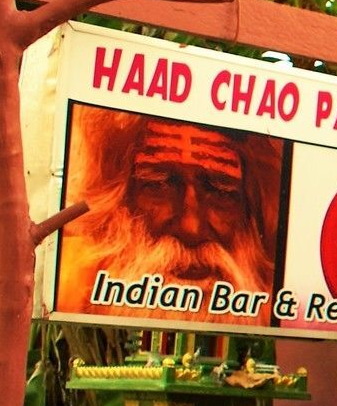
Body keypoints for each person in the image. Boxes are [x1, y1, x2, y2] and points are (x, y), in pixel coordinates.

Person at [52, 109, 282, 327]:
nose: (191, 228)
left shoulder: (277, 308)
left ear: (251, 213)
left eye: (221, 191)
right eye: (160, 185)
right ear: (119, 201)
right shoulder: (68, 295)